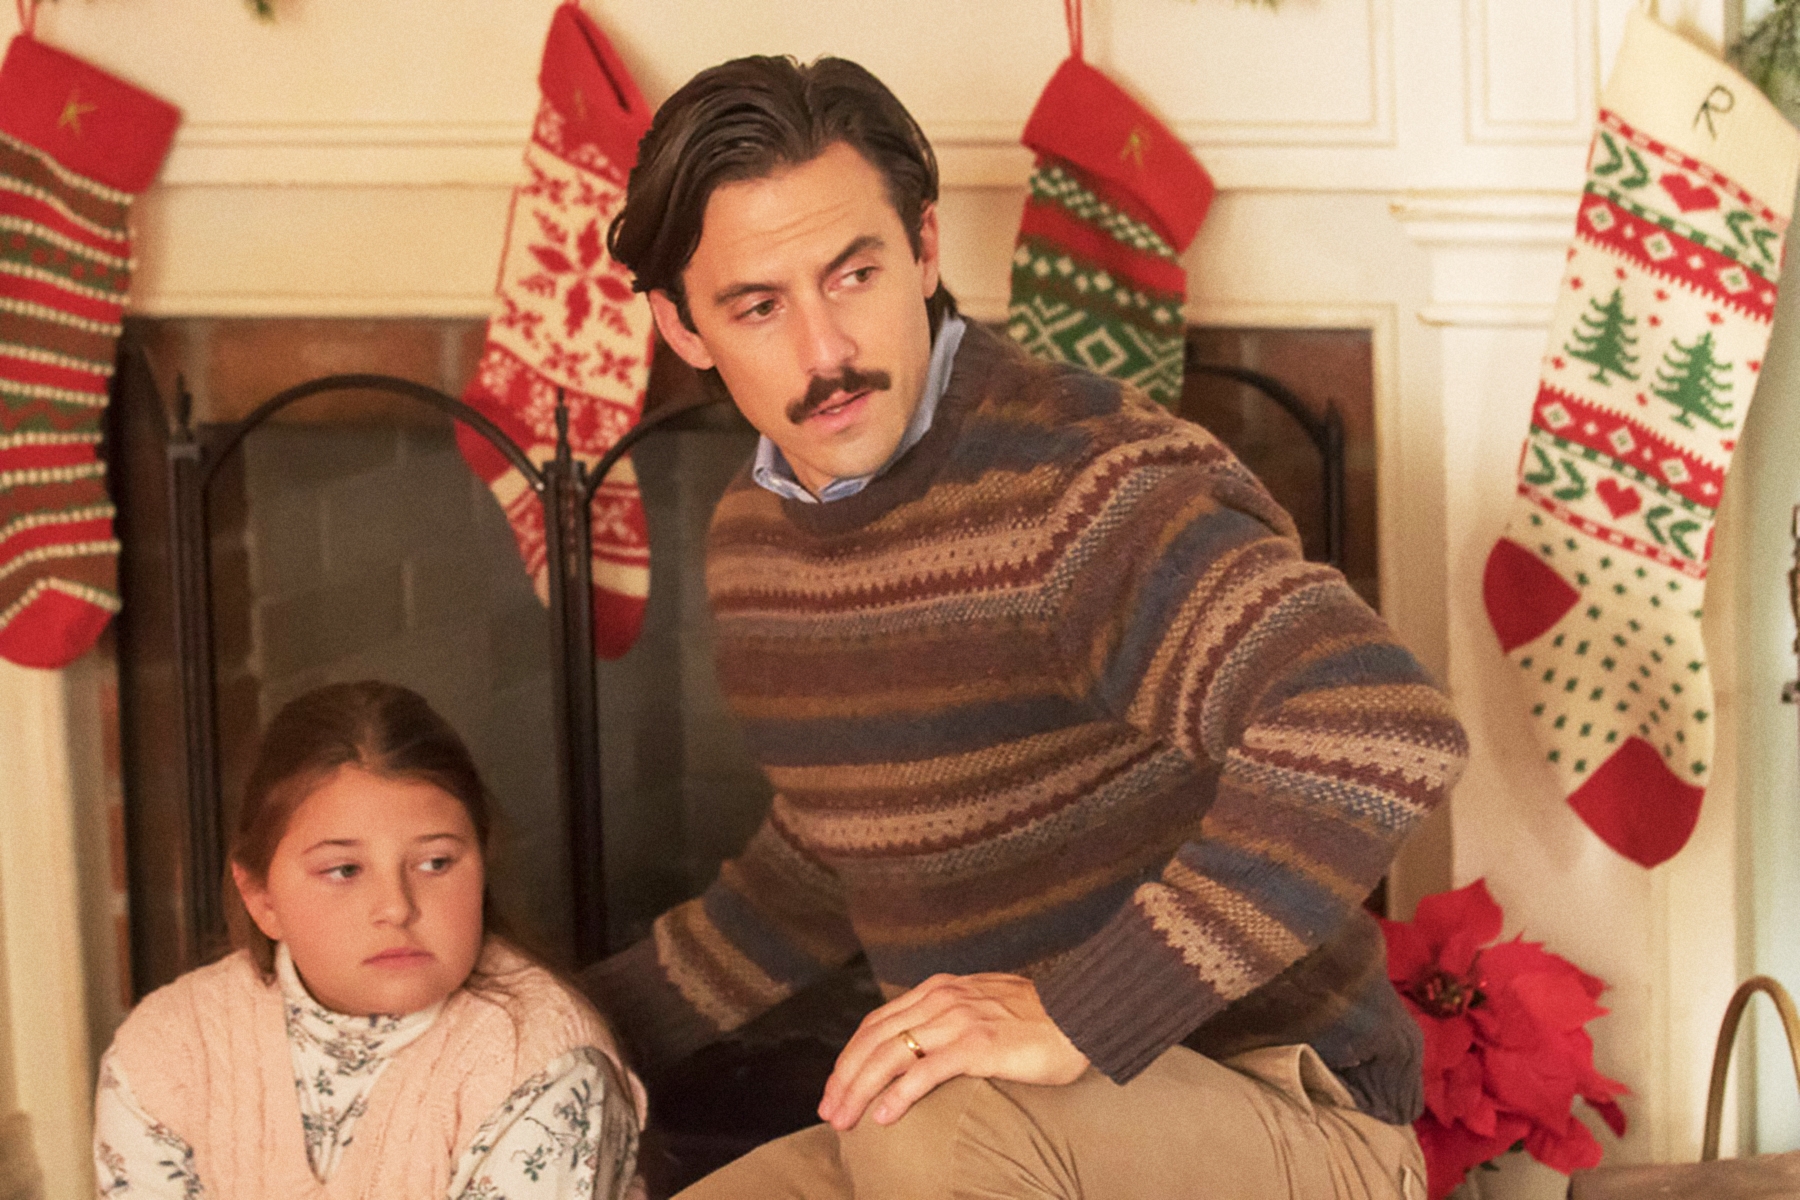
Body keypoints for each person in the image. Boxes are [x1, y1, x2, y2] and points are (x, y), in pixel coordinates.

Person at [583, 54, 1468, 1199]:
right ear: (682, 325)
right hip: (996, 1130)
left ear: (925, 248)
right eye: (760, 306)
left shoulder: (1075, 488)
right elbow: (828, 863)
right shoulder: (755, 544)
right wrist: (545, 1027)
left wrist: (1081, 1012)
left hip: (1286, 1111)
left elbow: (1376, 720)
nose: (825, 351)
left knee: (931, 1131)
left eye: (854, 275)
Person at [94, 680, 646, 1200]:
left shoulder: (542, 1061)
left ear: (482, 865)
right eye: (344, 870)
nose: (397, 907)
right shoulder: (167, 1051)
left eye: (435, 863)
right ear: (261, 898)